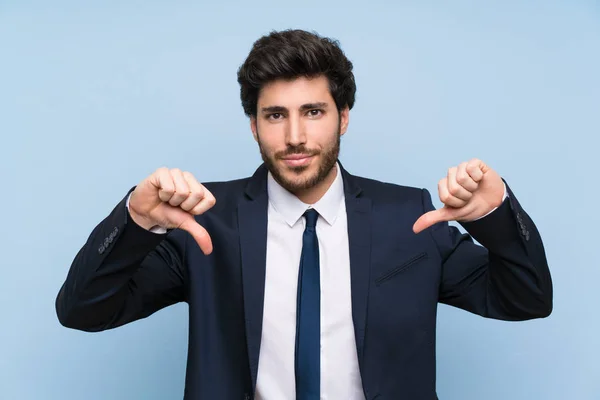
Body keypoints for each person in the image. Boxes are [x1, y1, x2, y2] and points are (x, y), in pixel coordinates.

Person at [55, 29, 553, 400]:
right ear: (254, 126)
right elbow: (83, 312)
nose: (295, 136)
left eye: (314, 112)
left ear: (344, 117)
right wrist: (137, 221)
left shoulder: (410, 217)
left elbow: (525, 300)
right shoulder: (205, 220)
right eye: (276, 115)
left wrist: (495, 216)